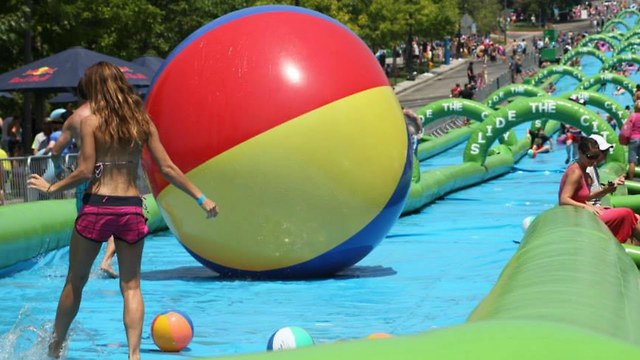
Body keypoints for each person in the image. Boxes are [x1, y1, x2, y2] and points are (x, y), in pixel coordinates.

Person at [27, 62, 219, 360]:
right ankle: (133, 355)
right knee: (131, 286)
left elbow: (86, 171)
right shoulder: (141, 122)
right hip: (130, 208)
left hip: (97, 207)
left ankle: (54, 349)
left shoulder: (91, 122)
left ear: (94, 89)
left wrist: (52, 187)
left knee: (75, 282)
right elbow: (167, 168)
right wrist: (200, 197)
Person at [48, 104, 119, 278]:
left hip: (83, 175)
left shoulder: (74, 119)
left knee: (83, 222)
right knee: (117, 220)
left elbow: (56, 151)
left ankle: (76, 269)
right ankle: (106, 261)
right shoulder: (110, 113)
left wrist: (57, 169)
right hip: (108, 173)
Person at [559, 137, 640, 244]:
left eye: (596, 156)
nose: (593, 161)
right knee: (627, 213)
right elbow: (563, 199)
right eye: (590, 157)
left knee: (636, 217)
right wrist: (586, 206)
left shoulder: (584, 170)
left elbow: (582, 196)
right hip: (581, 218)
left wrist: (606, 190)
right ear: (580, 153)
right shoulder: (575, 172)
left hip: (584, 213)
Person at [586, 134, 625, 206]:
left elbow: (593, 192)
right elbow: (584, 197)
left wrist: (614, 183)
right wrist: (606, 190)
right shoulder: (588, 169)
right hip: (593, 209)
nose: (606, 154)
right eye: (603, 151)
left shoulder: (593, 166)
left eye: (607, 150)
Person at [626, 101, 640, 180]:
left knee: (632, 161)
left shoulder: (633, 116)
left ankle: (631, 179)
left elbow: (627, 127)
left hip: (634, 138)